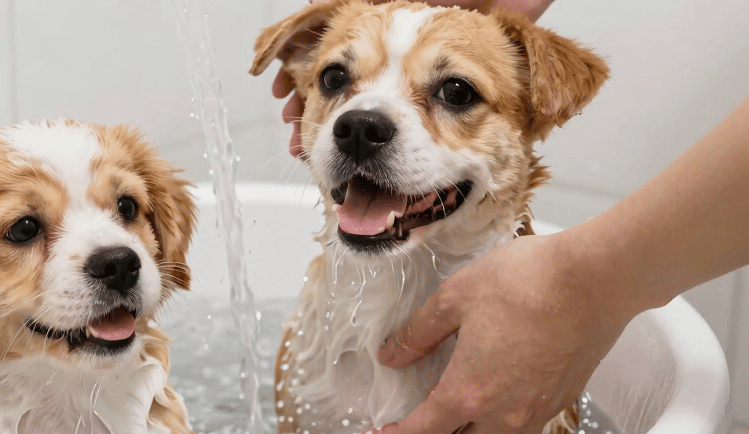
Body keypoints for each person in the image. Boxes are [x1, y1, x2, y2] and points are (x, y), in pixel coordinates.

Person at [271, 1, 749, 433]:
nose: (361, 119)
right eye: (336, 80)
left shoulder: (530, 368)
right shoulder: (304, 357)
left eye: (455, 93)